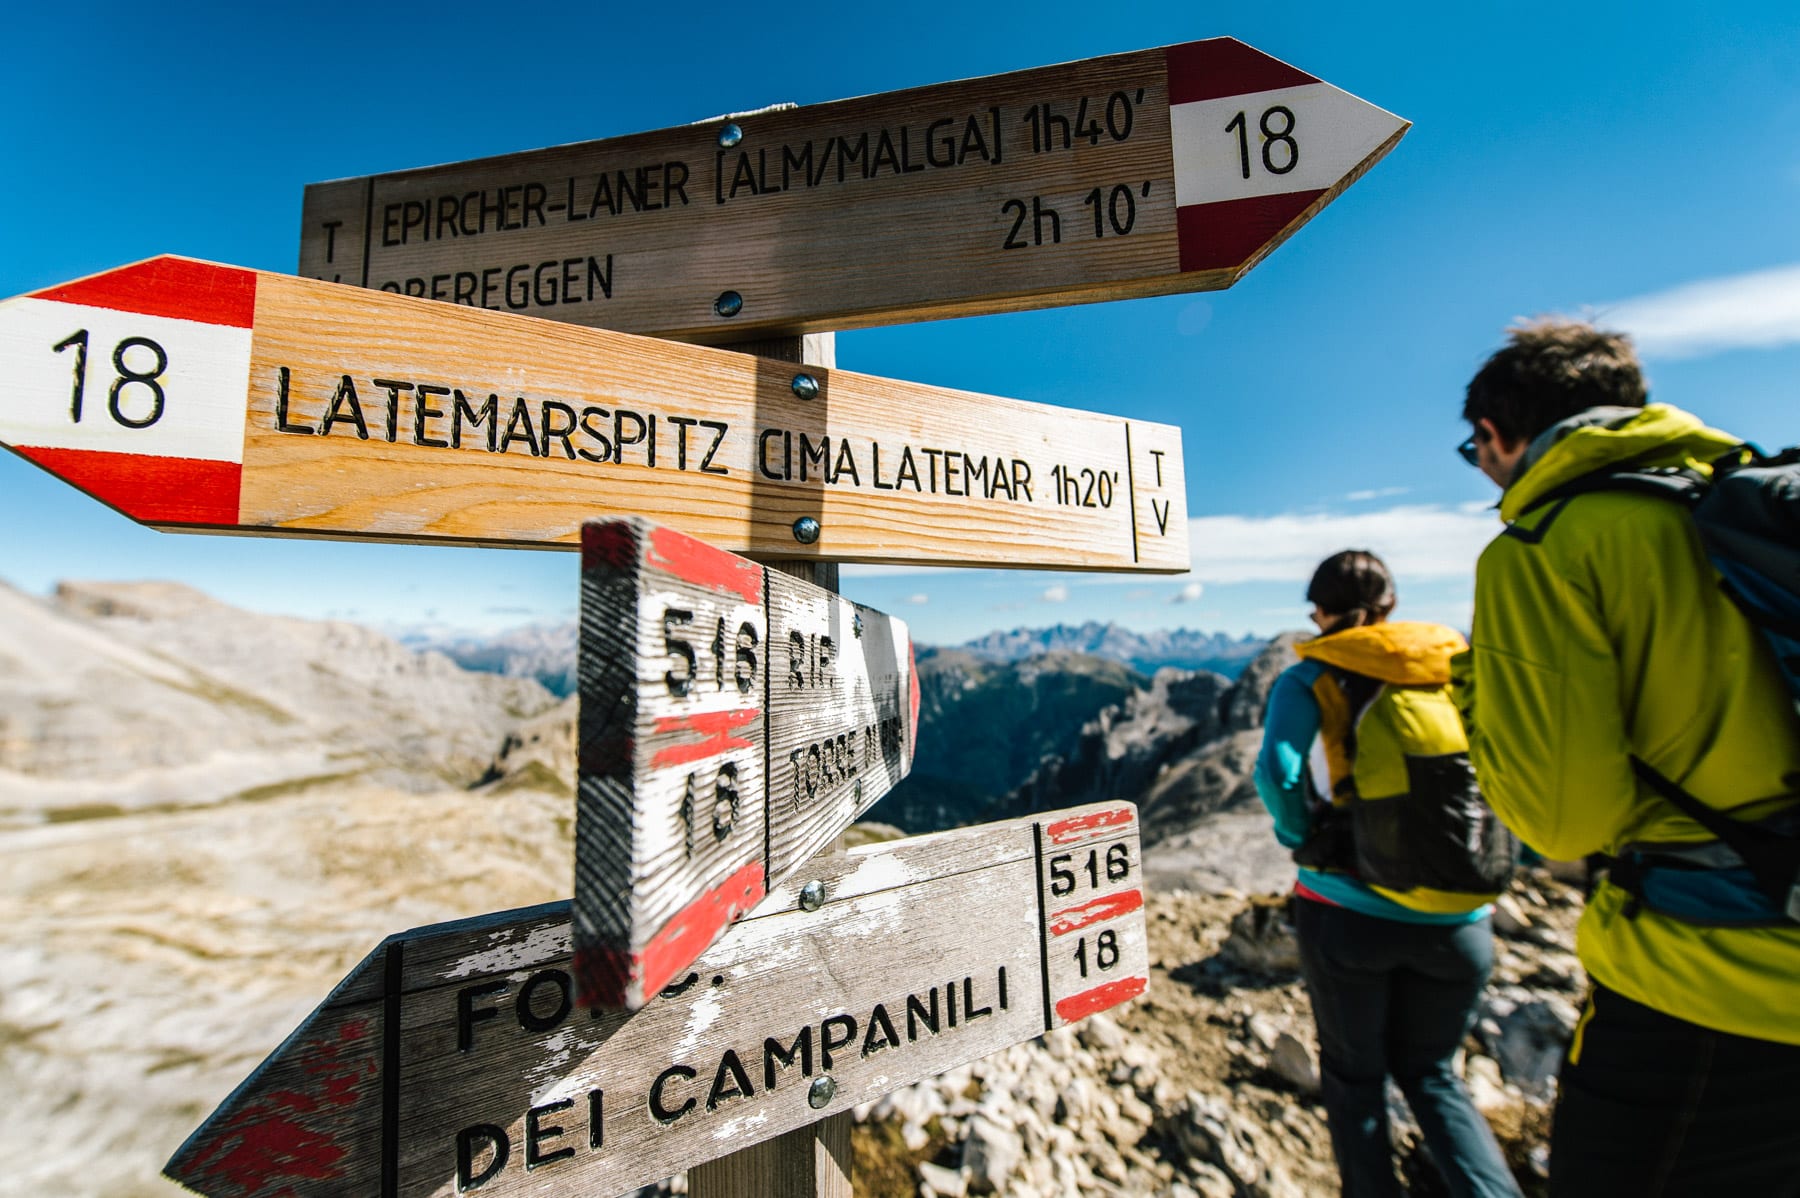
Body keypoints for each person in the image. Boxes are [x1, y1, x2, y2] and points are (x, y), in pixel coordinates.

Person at [1453, 318, 1800, 1195]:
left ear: (1497, 436)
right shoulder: (1743, 501)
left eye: (1474, 452)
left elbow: (1561, 822)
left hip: (1708, 985)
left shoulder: (1548, 546)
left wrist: (1478, 701)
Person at [1255, 550, 1521, 1198]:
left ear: (1318, 611)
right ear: (1391, 606)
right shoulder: (1454, 664)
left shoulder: (1313, 675)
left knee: (1354, 1081)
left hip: (1347, 913)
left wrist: (1306, 839)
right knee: (1434, 1076)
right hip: (1463, 920)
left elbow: (1279, 773)